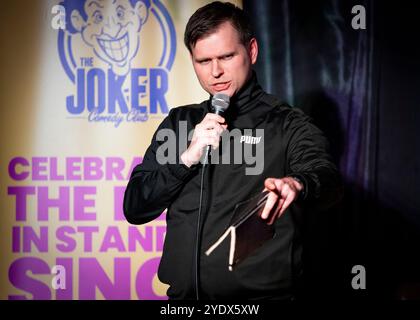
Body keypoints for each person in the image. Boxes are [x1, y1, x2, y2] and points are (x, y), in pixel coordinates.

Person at [123, 1, 343, 300]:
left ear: (251, 51)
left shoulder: (285, 122)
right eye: (203, 61)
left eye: (226, 56)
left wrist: (298, 184)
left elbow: (326, 178)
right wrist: (186, 159)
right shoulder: (179, 123)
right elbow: (135, 208)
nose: (215, 72)